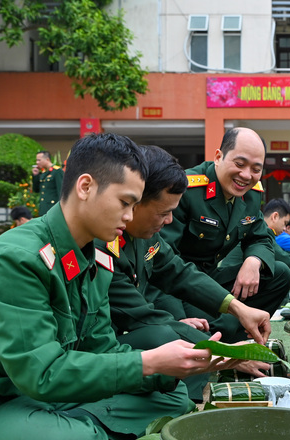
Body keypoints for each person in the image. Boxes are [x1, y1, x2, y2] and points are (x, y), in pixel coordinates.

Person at [0, 133, 239, 440]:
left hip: (35, 396)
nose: (129, 215)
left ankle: (50, 426)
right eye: (125, 202)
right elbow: (42, 373)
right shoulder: (16, 259)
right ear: (85, 186)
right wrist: (148, 361)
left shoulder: (93, 256)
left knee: (172, 400)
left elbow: (102, 348)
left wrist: (169, 368)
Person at [96, 145, 272, 399]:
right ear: (134, 201)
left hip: (120, 335)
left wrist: (237, 307)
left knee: (182, 336)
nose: (168, 221)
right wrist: (227, 353)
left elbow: (179, 272)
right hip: (93, 353)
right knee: (171, 338)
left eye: (256, 168)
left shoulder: (143, 235)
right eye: (163, 213)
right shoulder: (105, 245)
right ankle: (183, 399)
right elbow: (141, 316)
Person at [159, 127, 290, 342]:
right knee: (221, 326)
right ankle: (224, 333)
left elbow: (261, 236)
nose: (246, 175)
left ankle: (235, 331)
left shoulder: (249, 194)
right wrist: (176, 321)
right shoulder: (186, 188)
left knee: (280, 273)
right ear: (218, 157)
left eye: (256, 169)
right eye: (239, 164)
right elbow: (160, 261)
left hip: (212, 280)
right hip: (180, 288)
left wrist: (253, 260)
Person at [31, 150, 64, 216]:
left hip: (53, 209)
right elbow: (36, 190)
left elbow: (61, 192)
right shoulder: (44, 173)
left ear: (47, 159)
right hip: (44, 210)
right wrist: (35, 176)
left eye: (39, 160)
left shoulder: (57, 171)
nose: (37, 162)